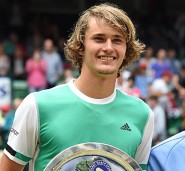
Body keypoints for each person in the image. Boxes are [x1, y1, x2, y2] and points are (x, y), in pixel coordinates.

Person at [0, 3, 154, 171]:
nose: (109, 47)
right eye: (99, 39)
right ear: (81, 47)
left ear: (126, 49)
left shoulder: (142, 114)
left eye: (117, 40)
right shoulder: (37, 105)